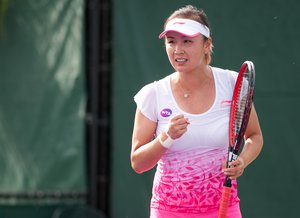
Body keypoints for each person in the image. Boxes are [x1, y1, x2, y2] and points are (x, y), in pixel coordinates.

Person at [131, 5, 263, 218]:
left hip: (224, 208)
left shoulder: (232, 84)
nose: (178, 50)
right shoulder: (152, 94)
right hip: (168, 211)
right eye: (171, 41)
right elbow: (138, 163)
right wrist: (166, 138)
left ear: (206, 44)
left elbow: (255, 137)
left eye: (187, 41)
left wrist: (243, 160)